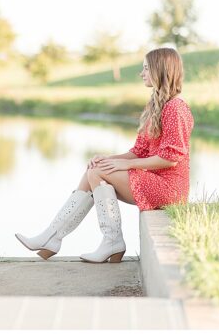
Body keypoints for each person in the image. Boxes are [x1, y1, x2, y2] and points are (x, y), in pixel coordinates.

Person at [15, 47, 193, 263]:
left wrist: (126, 166)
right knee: (96, 168)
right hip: (154, 182)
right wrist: (109, 160)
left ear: (160, 71)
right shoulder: (155, 105)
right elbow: (138, 151)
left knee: (98, 172)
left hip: (169, 188)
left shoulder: (176, 108)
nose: (141, 73)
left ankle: (102, 240)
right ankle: (54, 237)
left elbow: (171, 158)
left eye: (146, 68)